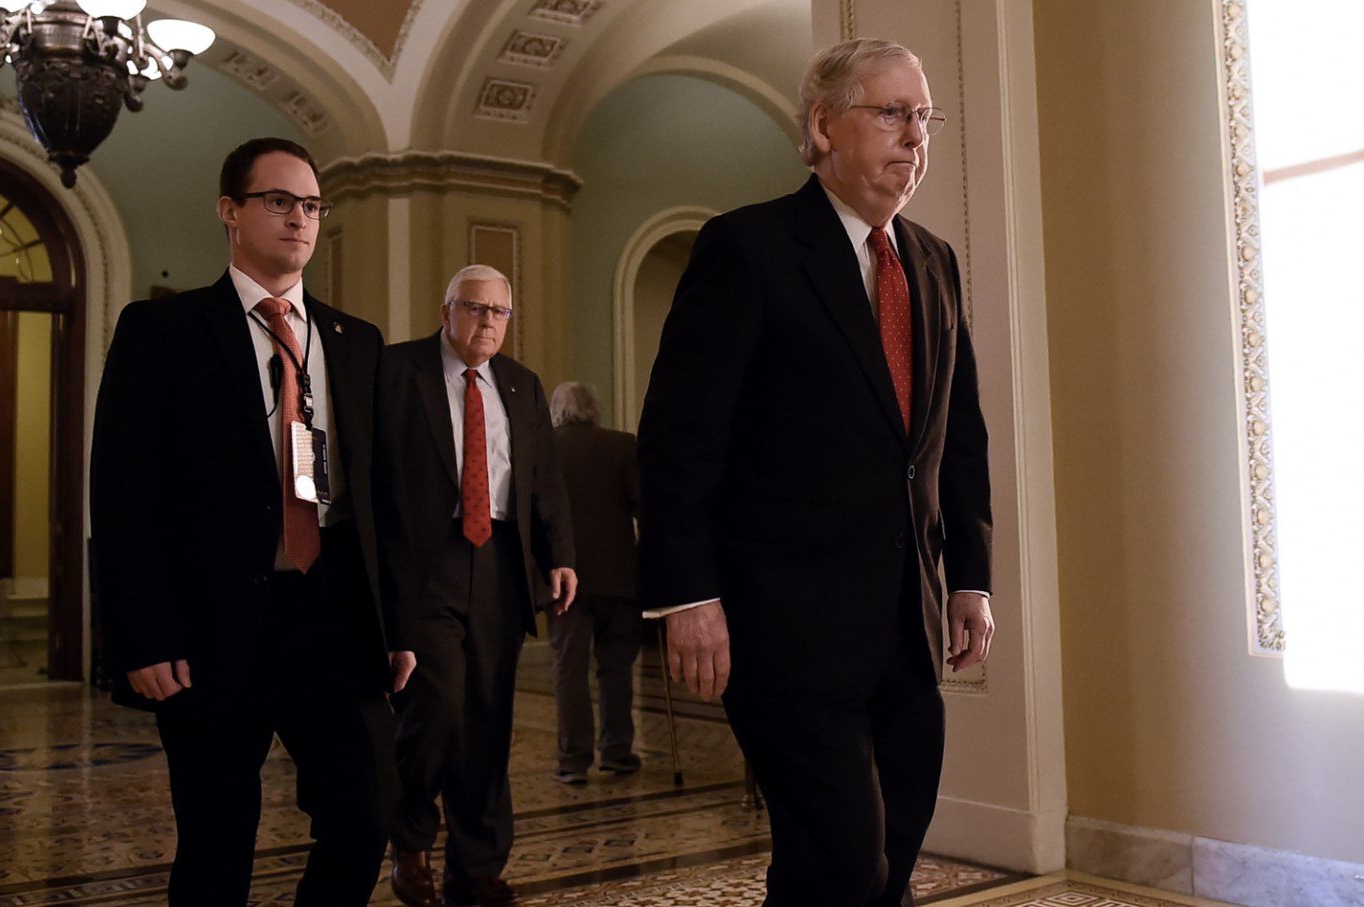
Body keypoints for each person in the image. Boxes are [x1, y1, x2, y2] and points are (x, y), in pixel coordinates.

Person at [636, 38, 995, 907]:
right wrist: (687, 595)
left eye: (923, 117)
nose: (915, 136)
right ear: (823, 127)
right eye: (891, 113)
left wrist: (970, 579)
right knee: (842, 858)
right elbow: (677, 441)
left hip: (905, 626)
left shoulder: (935, 263)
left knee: (886, 854)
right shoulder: (747, 250)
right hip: (783, 628)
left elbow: (959, 438)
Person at [90, 137, 411, 906]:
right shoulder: (162, 332)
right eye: (279, 201)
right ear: (230, 212)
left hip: (332, 613)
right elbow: (124, 492)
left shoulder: (355, 341)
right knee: (216, 842)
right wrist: (140, 634)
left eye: (310, 205)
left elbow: (381, 498)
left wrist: (396, 622)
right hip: (212, 626)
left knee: (366, 817)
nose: (299, 218)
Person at [374, 264, 577, 907]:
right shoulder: (397, 373)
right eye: (475, 308)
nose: (488, 322)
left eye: (499, 313)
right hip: (425, 562)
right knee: (438, 707)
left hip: (498, 566)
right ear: (446, 310)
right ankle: (410, 839)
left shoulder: (521, 385)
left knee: (488, 718)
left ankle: (477, 863)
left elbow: (543, 481)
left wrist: (560, 555)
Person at [546, 381, 643, 785]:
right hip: (619, 577)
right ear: (594, 410)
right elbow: (644, 507)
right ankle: (618, 752)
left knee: (569, 669)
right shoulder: (623, 445)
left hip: (563, 578)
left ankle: (574, 759)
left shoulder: (545, 447)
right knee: (617, 667)